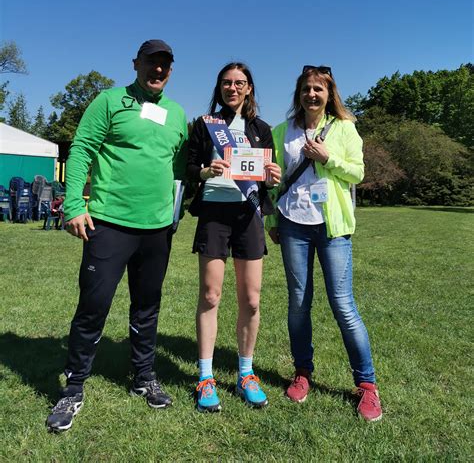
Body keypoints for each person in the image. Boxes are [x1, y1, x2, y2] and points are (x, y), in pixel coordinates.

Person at [46, 39, 188, 432]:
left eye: (164, 65)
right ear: (136, 64)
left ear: (171, 70)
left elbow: (179, 169)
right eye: (151, 63)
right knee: (94, 305)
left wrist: (176, 212)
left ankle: (144, 378)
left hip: (157, 229)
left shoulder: (177, 114)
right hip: (108, 223)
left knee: (148, 306)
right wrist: (74, 204)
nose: (157, 70)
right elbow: (81, 150)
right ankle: (73, 388)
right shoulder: (109, 101)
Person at [266, 65, 382, 422]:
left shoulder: (345, 128)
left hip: (332, 229)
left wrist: (327, 158)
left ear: (329, 94)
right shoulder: (281, 132)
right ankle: (302, 373)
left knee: (343, 306)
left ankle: (367, 385)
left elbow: (358, 172)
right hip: (293, 227)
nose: (311, 95)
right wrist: (272, 221)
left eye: (318, 89)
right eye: (306, 89)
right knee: (298, 304)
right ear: (298, 94)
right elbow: (272, 182)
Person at [187, 62, 281, 412]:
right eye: (226, 82)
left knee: (251, 300)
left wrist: (272, 177)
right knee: (211, 295)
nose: (233, 88)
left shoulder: (261, 129)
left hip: (249, 215)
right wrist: (204, 169)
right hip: (214, 213)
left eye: (239, 83)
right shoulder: (205, 124)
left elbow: (267, 178)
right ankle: (205, 377)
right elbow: (188, 166)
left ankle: (245, 372)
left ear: (249, 88)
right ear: (219, 87)